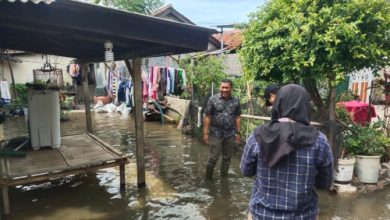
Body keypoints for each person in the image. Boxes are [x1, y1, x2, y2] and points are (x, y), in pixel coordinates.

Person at [240, 84, 333, 220]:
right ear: (305, 106)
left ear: (278, 103)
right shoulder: (319, 141)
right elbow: (325, 183)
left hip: (262, 215)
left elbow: (246, 171)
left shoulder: (257, 136)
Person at [203, 79, 241, 179]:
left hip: (230, 134)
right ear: (220, 87)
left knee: (227, 158)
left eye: (226, 87)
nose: (224, 90)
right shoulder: (213, 99)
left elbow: (237, 117)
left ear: (231, 88)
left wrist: (238, 132)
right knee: (213, 158)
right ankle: (208, 180)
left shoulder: (236, 100)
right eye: (222, 87)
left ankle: (224, 180)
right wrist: (205, 133)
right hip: (215, 133)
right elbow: (208, 116)